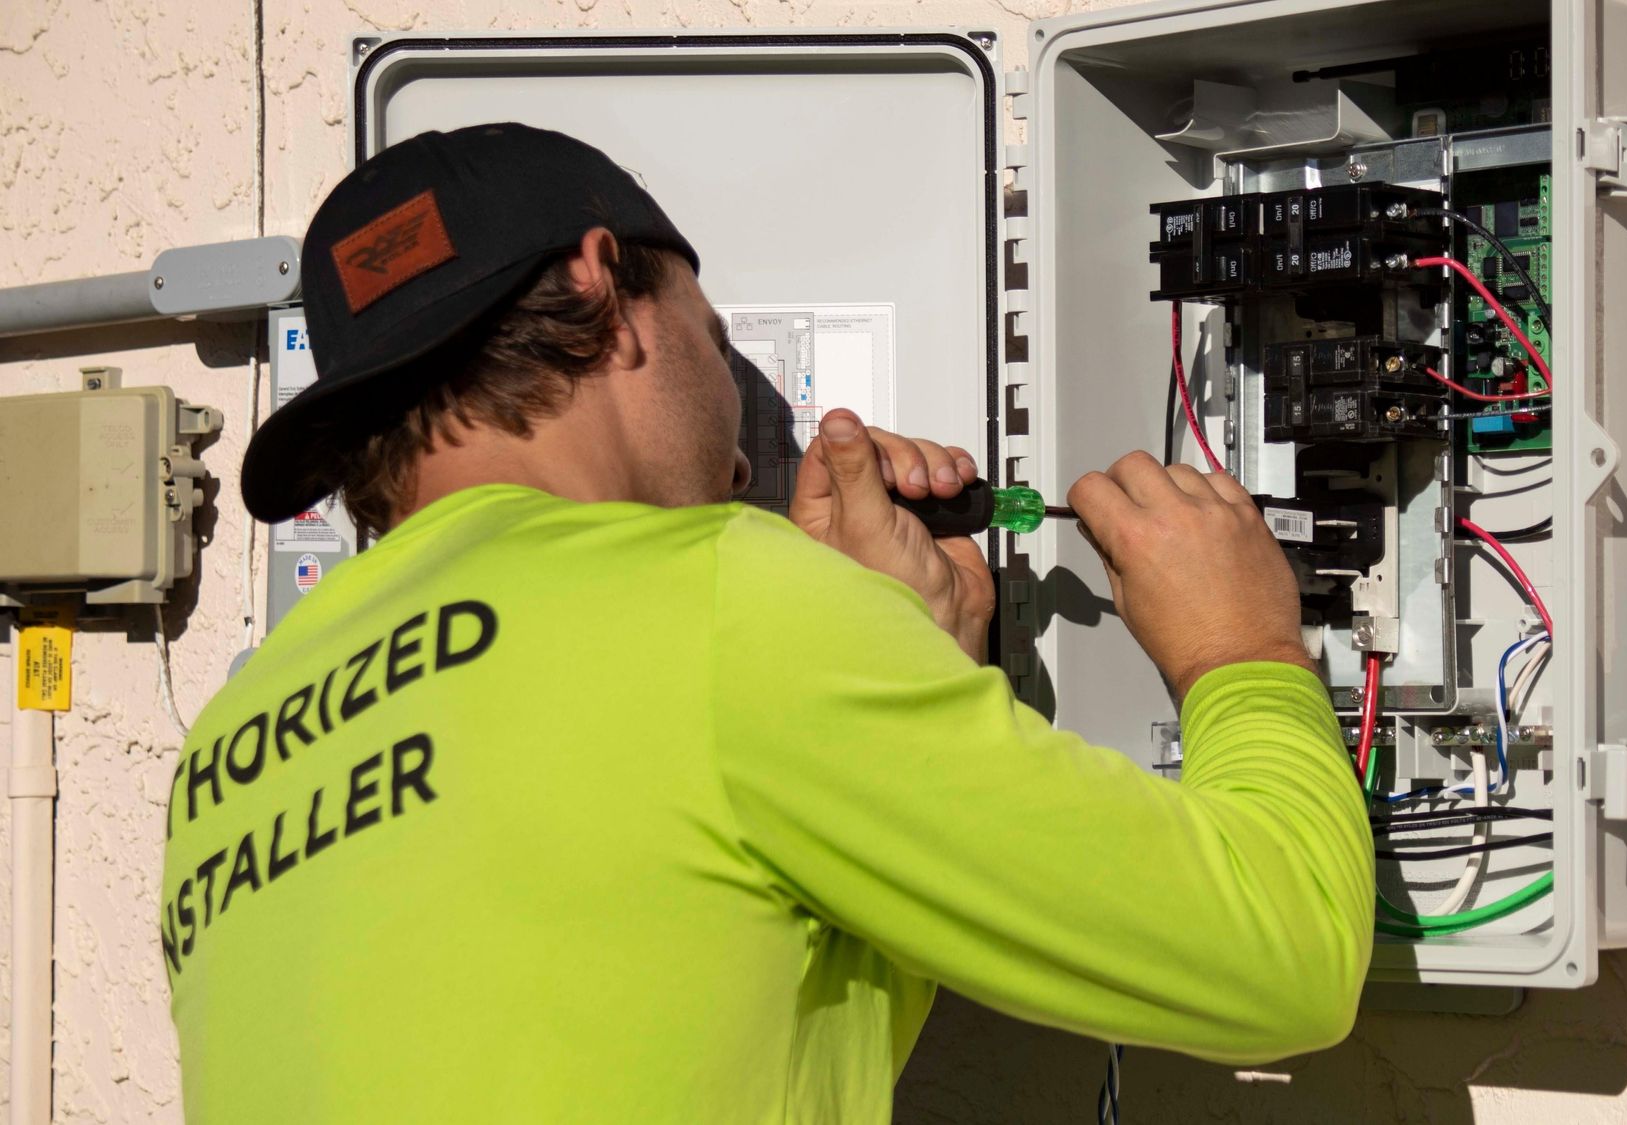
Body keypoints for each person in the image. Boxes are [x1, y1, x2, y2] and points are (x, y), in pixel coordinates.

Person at [160, 122, 1372, 1123]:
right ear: (605, 286)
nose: (747, 436)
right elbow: (1286, 958)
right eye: (714, 331)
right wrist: (1241, 646)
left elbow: (742, 1032)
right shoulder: (719, 602)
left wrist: (902, 653)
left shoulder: (229, 742)